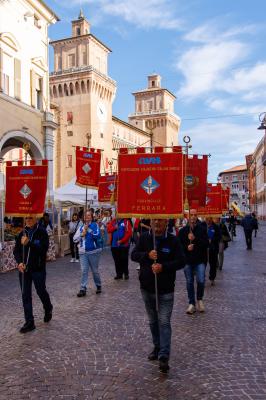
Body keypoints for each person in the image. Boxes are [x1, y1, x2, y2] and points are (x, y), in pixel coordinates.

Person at [131, 219, 185, 373]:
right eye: (155, 221)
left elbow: (181, 261)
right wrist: (147, 255)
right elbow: (133, 255)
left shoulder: (173, 240)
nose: (158, 224)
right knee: (153, 321)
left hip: (166, 289)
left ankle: (164, 356)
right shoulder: (145, 238)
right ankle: (157, 346)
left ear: (166, 222)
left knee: (164, 322)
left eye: (161, 221)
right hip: (147, 287)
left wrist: (164, 267)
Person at [13, 215, 53, 333]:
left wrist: (29, 243)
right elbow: (16, 251)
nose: (28, 220)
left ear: (36, 218)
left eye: (30, 218)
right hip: (24, 270)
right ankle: (29, 322)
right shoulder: (22, 232)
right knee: (25, 295)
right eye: (27, 218)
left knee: (41, 291)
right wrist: (19, 262)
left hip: (38, 269)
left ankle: (48, 307)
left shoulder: (42, 232)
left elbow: (43, 250)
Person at [178, 209, 209, 314]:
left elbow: (206, 244)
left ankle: (199, 299)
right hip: (187, 260)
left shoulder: (202, 229)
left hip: (200, 260)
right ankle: (191, 303)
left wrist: (195, 239)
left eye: (195, 215)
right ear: (188, 216)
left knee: (201, 280)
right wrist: (187, 247)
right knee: (189, 282)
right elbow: (179, 246)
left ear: (197, 216)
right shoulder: (183, 231)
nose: (193, 217)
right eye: (191, 215)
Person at [74, 210, 102, 296]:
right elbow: (74, 239)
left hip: (93, 252)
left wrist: (88, 229)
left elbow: (97, 235)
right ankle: (83, 288)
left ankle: (98, 285)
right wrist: (81, 234)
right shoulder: (81, 227)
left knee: (95, 271)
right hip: (83, 252)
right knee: (84, 271)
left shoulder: (95, 225)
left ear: (91, 217)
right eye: (86, 216)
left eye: (89, 215)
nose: (87, 217)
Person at [206, 217, 221, 286]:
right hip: (204, 248)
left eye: (210, 219)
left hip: (213, 248)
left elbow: (219, 237)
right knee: (203, 264)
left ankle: (212, 278)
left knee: (213, 264)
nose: (208, 220)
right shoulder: (202, 226)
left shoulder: (216, 227)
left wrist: (212, 240)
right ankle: (201, 278)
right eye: (207, 219)